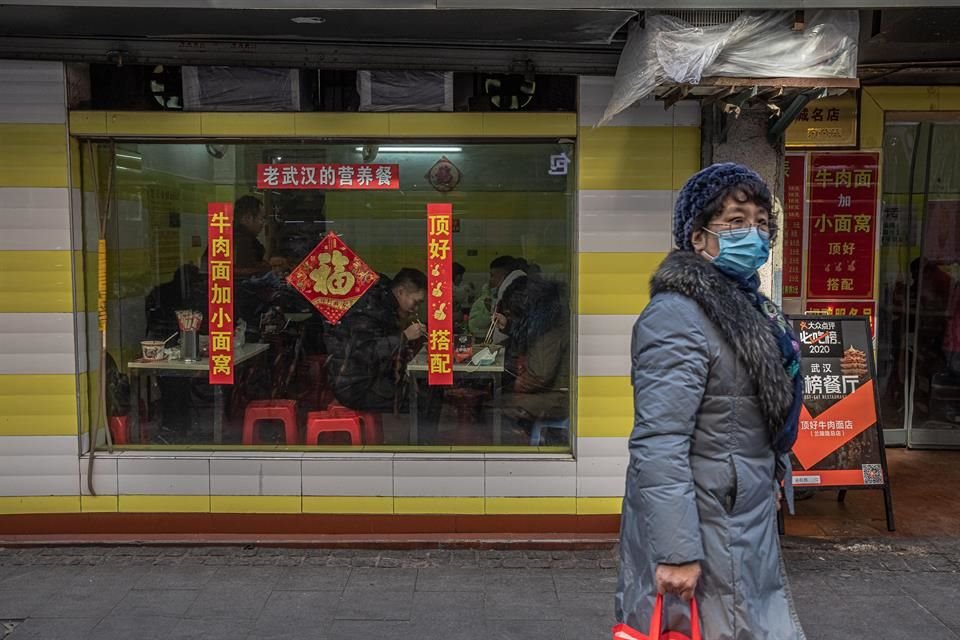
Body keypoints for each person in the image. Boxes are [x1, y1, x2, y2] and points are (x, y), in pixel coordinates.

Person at [616, 163, 806, 639]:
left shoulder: (754, 310)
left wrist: (772, 476)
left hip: (744, 516)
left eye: (762, 223)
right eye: (736, 221)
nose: (755, 234)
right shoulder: (677, 316)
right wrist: (676, 552)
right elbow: (659, 441)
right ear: (698, 238)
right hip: (704, 528)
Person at [324, 268, 428, 412]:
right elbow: (364, 352)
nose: (416, 309)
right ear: (400, 292)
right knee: (424, 402)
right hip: (355, 386)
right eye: (415, 302)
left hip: (369, 377)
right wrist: (404, 336)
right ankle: (426, 435)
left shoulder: (383, 304)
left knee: (426, 391)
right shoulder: (370, 309)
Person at [495, 276, 570, 441]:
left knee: (494, 403)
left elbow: (538, 376)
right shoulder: (551, 320)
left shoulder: (548, 331)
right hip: (553, 391)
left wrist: (512, 383)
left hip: (556, 398)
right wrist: (509, 326)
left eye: (517, 316)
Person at [233, 194, 271, 277]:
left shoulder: (225, 237)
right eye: (261, 218)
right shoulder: (242, 242)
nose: (263, 223)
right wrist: (266, 268)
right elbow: (244, 271)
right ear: (247, 218)